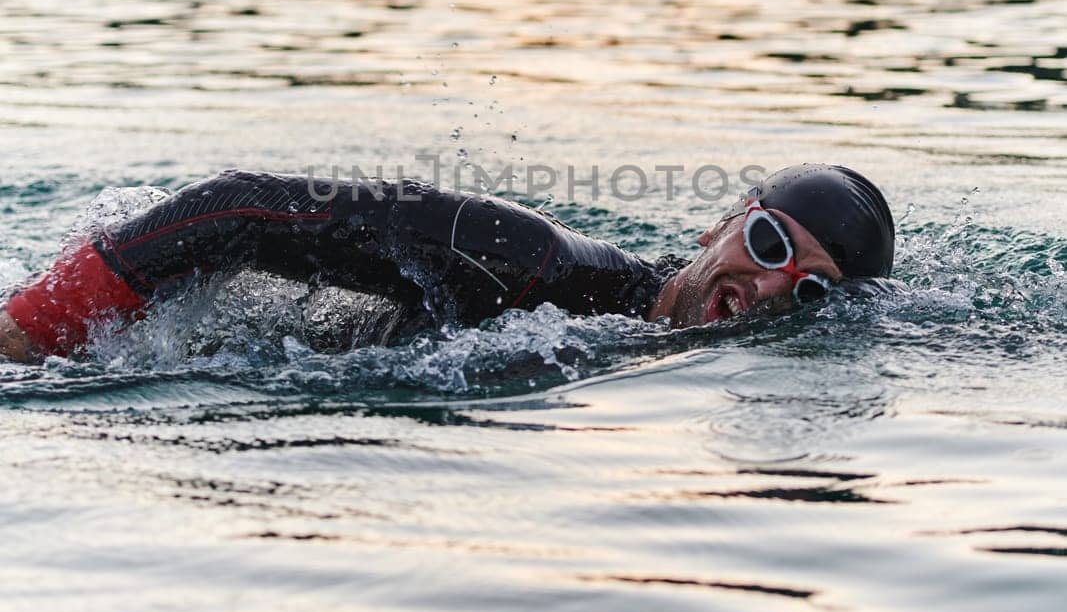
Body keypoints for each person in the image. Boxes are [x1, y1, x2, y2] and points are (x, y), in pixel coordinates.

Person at [0, 163, 894, 363]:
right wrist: (31, 330)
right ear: (718, 227)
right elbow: (238, 205)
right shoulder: (530, 264)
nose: (773, 285)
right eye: (770, 245)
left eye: (808, 287)